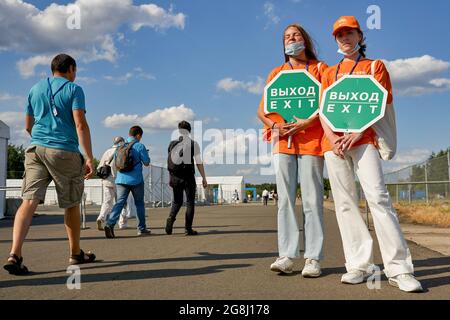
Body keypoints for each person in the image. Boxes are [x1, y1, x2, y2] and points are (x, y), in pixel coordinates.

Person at [319, 16, 422, 292]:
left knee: (378, 198)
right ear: (335, 40)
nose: (345, 38)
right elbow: (324, 109)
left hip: (365, 141)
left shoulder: (374, 67)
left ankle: (399, 269)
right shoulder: (329, 72)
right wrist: (333, 138)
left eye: (349, 33)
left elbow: (380, 103)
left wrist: (356, 131)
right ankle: (359, 265)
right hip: (334, 145)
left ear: (360, 36)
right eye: (339, 35)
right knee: (344, 204)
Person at [3, 54, 95, 275]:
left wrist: (42, 139)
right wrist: (89, 157)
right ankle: (75, 254)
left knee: (29, 201)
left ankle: (14, 254)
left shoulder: (35, 89)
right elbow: (80, 124)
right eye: (75, 70)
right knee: (71, 202)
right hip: (64, 151)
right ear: (71, 69)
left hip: (35, 150)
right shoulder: (74, 89)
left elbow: (28, 125)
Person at [257, 24, 328, 277]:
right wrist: (276, 125)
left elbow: (328, 104)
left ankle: (313, 258)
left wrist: (306, 123)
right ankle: (287, 255)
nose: (291, 39)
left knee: (311, 199)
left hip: (312, 141)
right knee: (285, 200)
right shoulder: (276, 72)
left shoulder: (321, 69)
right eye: (287, 36)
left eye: (296, 35)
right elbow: (261, 110)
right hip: (282, 142)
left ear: (305, 40)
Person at [104, 126, 150, 238]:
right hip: (136, 180)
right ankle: (141, 229)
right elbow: (146, 162)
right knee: (139, 203)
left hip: (121, 179)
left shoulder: (120, 146)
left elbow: (116, 163)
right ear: (138, 135)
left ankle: (110, 224)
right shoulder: (140, 146)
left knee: (119, 202)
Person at [165, 121, 208, 236]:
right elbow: (199, 162)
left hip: (175, 177)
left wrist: (171, 177)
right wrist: (204, 178)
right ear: (189, 131)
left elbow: (171, 162)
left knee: (177, 201)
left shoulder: (172, 144)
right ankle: (188, 229)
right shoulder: (193, 144)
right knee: (190, 202)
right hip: (188, 177)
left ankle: (171, 218)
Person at [96, 136, 137, 231]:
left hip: (107, 181)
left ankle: (101, 218)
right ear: (122, 142)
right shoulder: (123, 151)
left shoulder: (107, 152)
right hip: (119, 181)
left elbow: (100, 167)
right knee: (122, 202)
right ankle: (122, 223)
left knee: (107, 201)